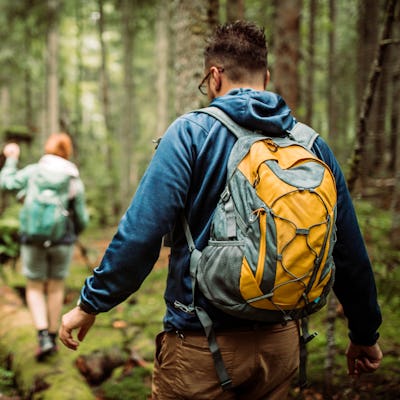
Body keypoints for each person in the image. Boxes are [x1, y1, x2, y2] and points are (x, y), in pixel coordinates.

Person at [59, 21, 382, 399]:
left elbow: (142, 232)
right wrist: (364, 334)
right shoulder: (310, 144)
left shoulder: (191, 133)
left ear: (214, 76)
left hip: (202, 348)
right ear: (266, 75)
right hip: (282, 346)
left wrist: (90, 304)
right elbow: (347, 250)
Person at [0, 133, 89, 361]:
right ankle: (53, 333)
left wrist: (11, 158)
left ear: (47, 149)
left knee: (35, 287)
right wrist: (72, 234)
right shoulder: (72, 179)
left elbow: (6, 182)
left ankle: (43, 338)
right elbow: (81, 218)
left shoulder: (33, 172)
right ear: (67, 152)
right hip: (61, 241)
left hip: (32, 240)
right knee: (56, 287)